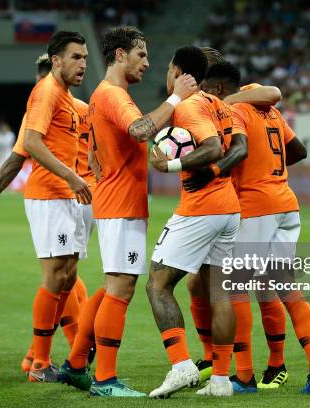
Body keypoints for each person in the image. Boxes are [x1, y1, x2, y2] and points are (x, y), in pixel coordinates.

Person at [57, 25, 197, 398]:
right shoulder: (115, 95)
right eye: (141, 55)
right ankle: (104, 379)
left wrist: (94, 153)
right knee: (121, 288)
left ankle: (75, 364)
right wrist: (177, 99)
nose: (147, 64)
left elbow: (96, 137)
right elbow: (138, 130)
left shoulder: (105, 95)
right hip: (120, 204)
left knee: (111, 287)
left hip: (119, 202)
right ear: (120, 55)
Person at [186, 63, 310, 394]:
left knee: (234, 289)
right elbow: (299, 150)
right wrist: (268, 165)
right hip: (286, 204)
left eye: (209, 91)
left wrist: (215, 171)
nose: (206, 98)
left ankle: (244, 376)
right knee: (285, 287)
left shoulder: (234, 109)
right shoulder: (265, 109)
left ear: (220, 90)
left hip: (256, 208)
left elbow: (239, 150)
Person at [0, 53, 90, 374]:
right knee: (62, 276)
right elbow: (19, 157)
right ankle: (59, 352)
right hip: (70, 195)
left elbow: (15, 160)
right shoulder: (52, 105)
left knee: (68, 275)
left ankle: (47, 353)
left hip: (79, 197)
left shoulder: (75, 108)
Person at [147, 47, 245, 398]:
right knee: (219, 294)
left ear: (176, 70)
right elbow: (238, 146)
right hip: (228, 207)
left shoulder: (189, 106)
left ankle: (181, 366)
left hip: (201, 208)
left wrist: (170, 166)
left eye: (167, 67)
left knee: (157, 283)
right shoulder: (220, 104)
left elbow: (214, 148)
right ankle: (220, 381)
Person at [20, 30, 91, 383]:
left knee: (69, 274)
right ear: (56, 60)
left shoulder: (65, 96)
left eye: (85, 58)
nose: (83, 64)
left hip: (66, 194)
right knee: (55, 274)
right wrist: (72, 176)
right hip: (50, 193)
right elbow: (31, 142)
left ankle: (37, 354)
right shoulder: (46, 91)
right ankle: (39, 363)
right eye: (76, 57)